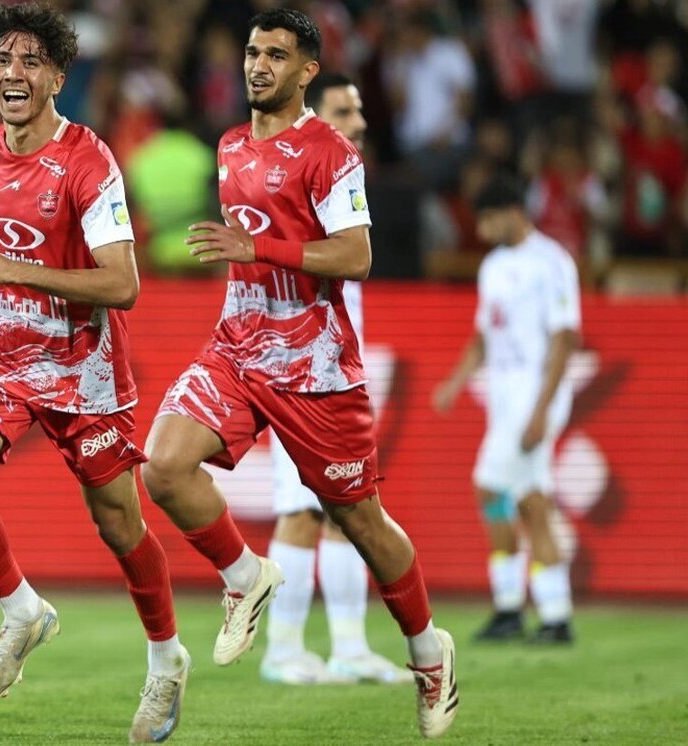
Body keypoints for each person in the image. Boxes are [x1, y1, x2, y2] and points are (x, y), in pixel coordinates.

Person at [140, 9, 458, 739]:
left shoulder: (330, 153)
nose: (259, 65)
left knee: (359, 519)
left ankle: (427, 650)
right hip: (237, 345)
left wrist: (260, 249)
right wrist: (246, 259)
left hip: (313, 365)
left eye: (277, 55)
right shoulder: (229, 144)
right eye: (253, 52)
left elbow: (356, 256)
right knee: (162, 466)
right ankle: (246, 576)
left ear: (307, 70)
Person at [0, 4, 189, 742]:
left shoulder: (89, 162)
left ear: (59, 77)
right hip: (1, 353)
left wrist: (8, 269)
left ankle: (166, 658)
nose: (14, 73)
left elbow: (122, 283)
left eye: (31, 62)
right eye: (3, 60)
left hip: (79, 364)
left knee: (118, 523)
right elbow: (0, 250)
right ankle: (23, 610)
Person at [259, 72, 413, 687]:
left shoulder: (340, 186)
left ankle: (349, 646)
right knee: (301, 510)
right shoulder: (292, 184)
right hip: (292, 369)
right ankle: (282, 649)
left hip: (334, 373)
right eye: (345, 111)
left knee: (346, 508)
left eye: (359, 110)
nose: (360, 122)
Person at [432, 173, 580, 645]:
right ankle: (551, 613)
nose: (481, 229)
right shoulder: (493, 266)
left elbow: (565, 339)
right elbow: (484, 334)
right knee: (531, 500)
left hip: (535, 397)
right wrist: (455, 383)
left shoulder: (551, 262)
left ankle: (512, 605)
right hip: (505, 398)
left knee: (490, 487)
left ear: (513, 213)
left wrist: (542, 410)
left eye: (488, 219)